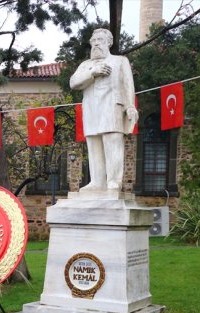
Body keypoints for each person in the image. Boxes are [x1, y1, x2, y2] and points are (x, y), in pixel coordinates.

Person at [70, 28, 137, 191]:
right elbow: (73, 83)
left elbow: (128, 84)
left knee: (112, 141)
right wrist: (93, 73)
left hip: (112, 106)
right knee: (93, 144)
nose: (96, 44)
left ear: (109, 42)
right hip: (91, 108)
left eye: (100, 40)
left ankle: (114, 180)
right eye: (93, 41)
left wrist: (130, 106)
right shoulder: (86, 65)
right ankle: (97, 181)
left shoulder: (120, 61)